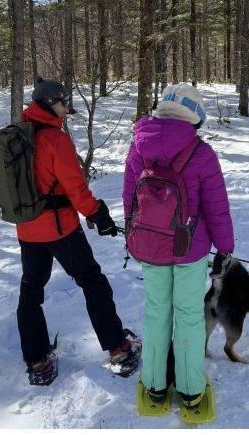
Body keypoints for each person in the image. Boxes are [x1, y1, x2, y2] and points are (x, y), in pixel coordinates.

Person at [17, 78, 139, 386]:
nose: (66, 110)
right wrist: (99, 214)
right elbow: (76, 189)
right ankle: (119, 350)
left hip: (27, 227)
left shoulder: (19, 132)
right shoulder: (55, 140)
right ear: (48, 103)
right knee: (93, 282)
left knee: (31, 292)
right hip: (59, 229)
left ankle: (38, 361)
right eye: (62, 104)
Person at [123, 82, 234, 409]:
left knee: (156, 314)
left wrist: (134, 238)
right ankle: (190, 389)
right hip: (191, 250)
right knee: (188, 316)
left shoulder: (138, 146)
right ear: (195, 117)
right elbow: (216, 207)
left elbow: (130, 200)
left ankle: (155, 386)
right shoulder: (201, 153)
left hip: (152, 248)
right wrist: (225, 248)